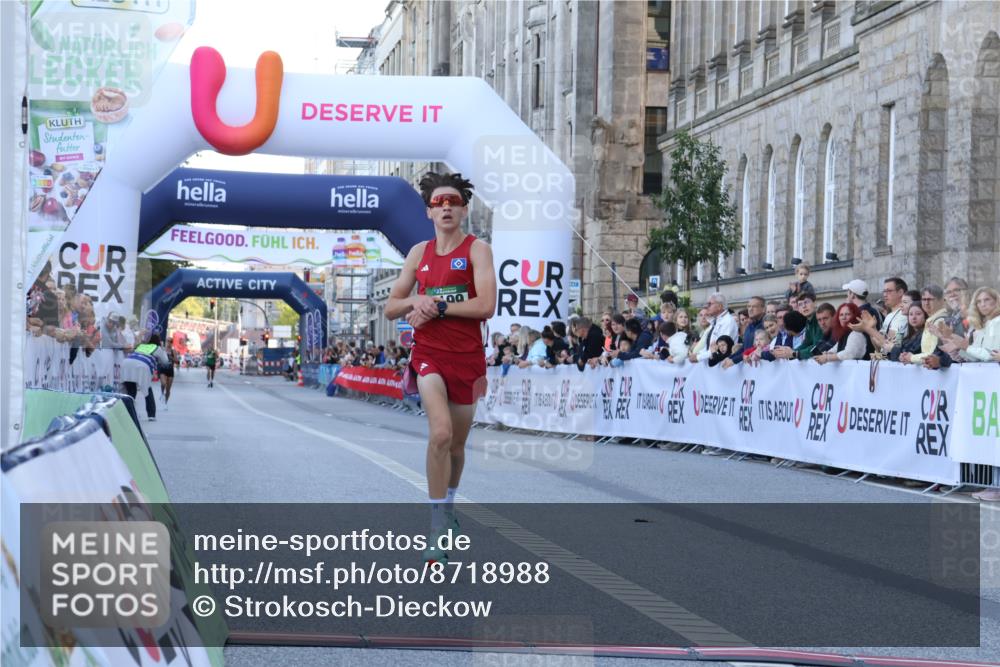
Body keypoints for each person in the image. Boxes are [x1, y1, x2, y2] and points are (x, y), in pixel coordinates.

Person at [384, 172, 496, 566]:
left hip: (467, 358)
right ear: (429, 211)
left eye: (453, 201)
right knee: (441, 435)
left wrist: (441, 305)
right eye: (438, 202)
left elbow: (486, 307)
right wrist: (419, 300)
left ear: (463, 210)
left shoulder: (477, 250)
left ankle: (448, 508)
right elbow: (390, 306)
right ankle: (435, 526)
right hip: (428, 354)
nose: (446, 207)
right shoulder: (419, 253)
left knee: (459, 446)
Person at [937, 287, 1000, 363]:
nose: (983, 304)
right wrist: (959, 347)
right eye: (979, 302)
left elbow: (991, 355)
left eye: (987, 299)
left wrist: (965, 347)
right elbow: (976, 358)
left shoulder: (997, 321)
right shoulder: (981, 325)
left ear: (996, 301)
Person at [121, 334, 169, 422]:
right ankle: (151, 414)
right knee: (147, 390)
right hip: (142, 366)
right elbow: (165, 362)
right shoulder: (157, 348)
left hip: (126, 364)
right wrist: (163, 350)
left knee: (131, 391)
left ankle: (127, 412)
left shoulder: (141, 346)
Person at [690, 293, 738, 363]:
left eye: (710, 304)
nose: (707, 307)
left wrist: (699, 357)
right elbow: (709, 345)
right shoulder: (715, 321)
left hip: (723, 364)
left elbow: (722, 347)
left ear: (719, 306)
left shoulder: (728, 321)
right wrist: (698, 354)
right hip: (713, 362)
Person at [160, 345, 177, 409]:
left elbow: (177, 361)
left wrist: (171, 357)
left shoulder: (173, 351)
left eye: (170, 341)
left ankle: (165, 403)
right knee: (163, 383)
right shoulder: (162, 350)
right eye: (168, 341)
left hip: (170, 371)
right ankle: (162, 393)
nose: (169, 343)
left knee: (168, 389)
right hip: (163, 369)